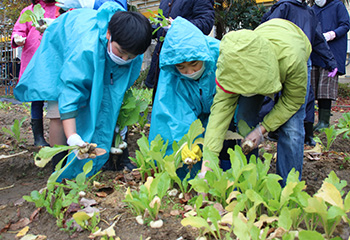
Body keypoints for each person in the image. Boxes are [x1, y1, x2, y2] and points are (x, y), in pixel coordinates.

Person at [14, 2, 152, 181]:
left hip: (94, 51)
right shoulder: (85, 49)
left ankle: (92, 161)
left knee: (95, 101)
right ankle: (59, 163)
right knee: (58, 108)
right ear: (108, 35)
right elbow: (71, 90)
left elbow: (114, 89)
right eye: (121, 52)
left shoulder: (133, 47)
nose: (124, 59)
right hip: (62, 45)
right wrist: (72, 136)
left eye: (130, 57)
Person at [200, 18, 312, 187]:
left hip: (294, 49)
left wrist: (262, 129)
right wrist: (206, 167)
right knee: (244, 118)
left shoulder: (292, 59)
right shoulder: (230, 66)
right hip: (256, 54)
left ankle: (289, 190)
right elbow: (219, 117)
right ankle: (248, 181)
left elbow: (292, 101)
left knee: (292, 130)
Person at [148, 17, 220, 178]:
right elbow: (176, 114)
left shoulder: (219, 56)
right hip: (191, 109)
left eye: (194, 64)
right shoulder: (170, 73)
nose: (189, 72)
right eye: (182, 67)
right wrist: (189, 140)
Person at [260, 0, 338, 146]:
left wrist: (331, 62)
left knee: (294, 97)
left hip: (287, 58)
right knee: (301, 97)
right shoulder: (290, 8)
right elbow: (269, 29)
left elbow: (318, 39)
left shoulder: (300, 10)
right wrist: (331, 62)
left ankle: (299, 133)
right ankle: (298, 133)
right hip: (296, 59)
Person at [11, 0, 57, 146]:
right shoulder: (28, 11)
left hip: (54, 59)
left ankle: (59, 135)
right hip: (34, 59)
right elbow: (18, 30)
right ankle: (38, 138)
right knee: (36, 99)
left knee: (56, 98)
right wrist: (17, 38)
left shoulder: (61, 9)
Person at [144, 0, 215, 92]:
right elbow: (161, 30)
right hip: (161, 63)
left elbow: (206, 23)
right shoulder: (165, 1)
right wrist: (145, 29)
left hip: (184, 65)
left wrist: (178, 25)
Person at [311, 0, 350, 131]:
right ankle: (311, 121)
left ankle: (324, 121)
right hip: (315, 54)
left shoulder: (337, 5)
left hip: (332, 55)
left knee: (325, 89)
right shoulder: (313, 9)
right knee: (313, 88)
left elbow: (345, 24)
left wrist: (332, 34)